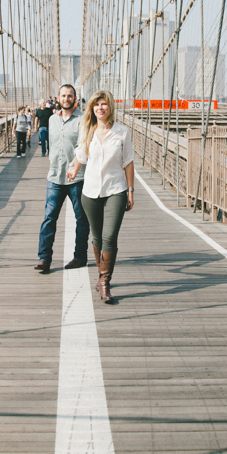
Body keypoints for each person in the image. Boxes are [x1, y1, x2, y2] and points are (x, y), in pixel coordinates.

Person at [66, 90, 133, 304]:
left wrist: (130, 191)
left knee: (109, 237)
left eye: (104, 104)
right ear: (92, 108)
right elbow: (81, 156)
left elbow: (128, 162)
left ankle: (105, 282)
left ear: (110, 107)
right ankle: (101, 275)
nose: (100, 108)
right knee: (96, 238)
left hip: (116, 190)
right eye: (97, 104)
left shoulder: (122, 132)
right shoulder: (87, 130)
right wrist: (73, 169)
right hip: (91, 191)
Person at [36, 84, 89, 273]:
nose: (66, 99)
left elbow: (84, 147)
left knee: (81, 219)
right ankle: (44, 258)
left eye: (70, 96)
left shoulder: (83, 119)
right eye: (63, 95)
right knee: (49, 218)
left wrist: (74, 168)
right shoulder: (52, 119)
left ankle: (80, 256)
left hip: (77, 178)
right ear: (58, 98)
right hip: (55, 177)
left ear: (75, 97)